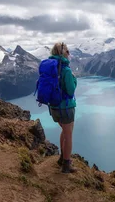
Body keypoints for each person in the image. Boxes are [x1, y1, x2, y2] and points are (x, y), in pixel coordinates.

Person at [49, 42, 78, 173]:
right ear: (63, 53)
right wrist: (74, 79)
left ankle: (62, 158)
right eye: (67, 51)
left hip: (53, 107)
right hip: (65, 108)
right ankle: (66, 165)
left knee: (64, 131)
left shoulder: (51, 67)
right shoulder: (66, 70)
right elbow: (71, 91)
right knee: (69, 135)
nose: (69, 53)